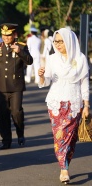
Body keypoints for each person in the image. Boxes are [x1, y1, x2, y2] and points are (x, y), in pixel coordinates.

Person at [38, 28, 90, 184]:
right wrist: (41, 76)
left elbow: (84, 83)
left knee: (71, 138)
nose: (58, 44)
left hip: (74, 103)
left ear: (69, 41)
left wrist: (86, 105)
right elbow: (46, 81)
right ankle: (64, 169)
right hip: (56, 102)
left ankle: (65, 163)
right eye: (56, 41)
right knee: (59, 136)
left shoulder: (80, 59)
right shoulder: (52, 59)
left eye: (61, 41)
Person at [0, 23, 33, 150]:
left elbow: (29, 61)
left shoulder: (21, 46)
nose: (6, 38)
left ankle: (20, 134)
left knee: (16, 112)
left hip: (16, 86)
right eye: (4, 35)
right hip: (0, 87)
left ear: (14, 35)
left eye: (9, 35)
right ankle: (6, 140)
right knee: (2, 114)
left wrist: (20, 52)